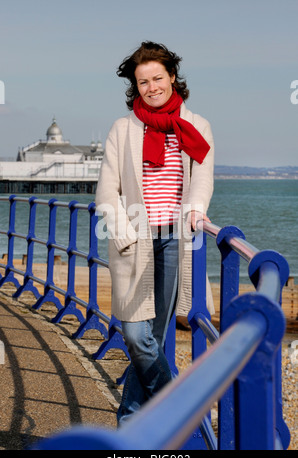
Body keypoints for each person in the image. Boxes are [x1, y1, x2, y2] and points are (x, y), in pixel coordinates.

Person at [95, 41, 214, 425]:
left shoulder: (196, 126)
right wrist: (124, 233)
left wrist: (196, 212)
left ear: (172, 77)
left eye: (157, 78)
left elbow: (202, 181)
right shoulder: (123, 128)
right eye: (142, 81)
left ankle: (129, 421)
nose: (151, 87)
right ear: (135, 86)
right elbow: (106, 192)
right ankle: (178, 405)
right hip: (135, 242)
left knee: (156, 335)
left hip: (175, 242)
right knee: (135, 334)